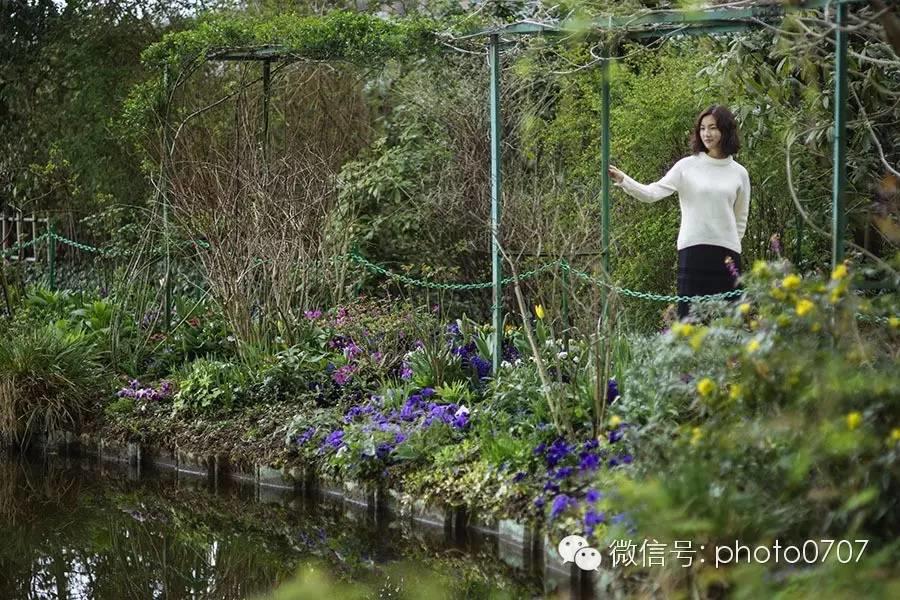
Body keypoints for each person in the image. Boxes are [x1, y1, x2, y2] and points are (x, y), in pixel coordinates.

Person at [607, 105, 750, 321]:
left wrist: (730, 245)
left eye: (713, 128)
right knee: (690, 322)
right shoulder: (686, 166)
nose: (707, 134)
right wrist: (623, 180)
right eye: (702, 128)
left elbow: (741, 218)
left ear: (726, 130)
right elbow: (652, 193)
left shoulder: (740, 173)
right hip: (693, 252)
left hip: (727, 257)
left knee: (728, 323)